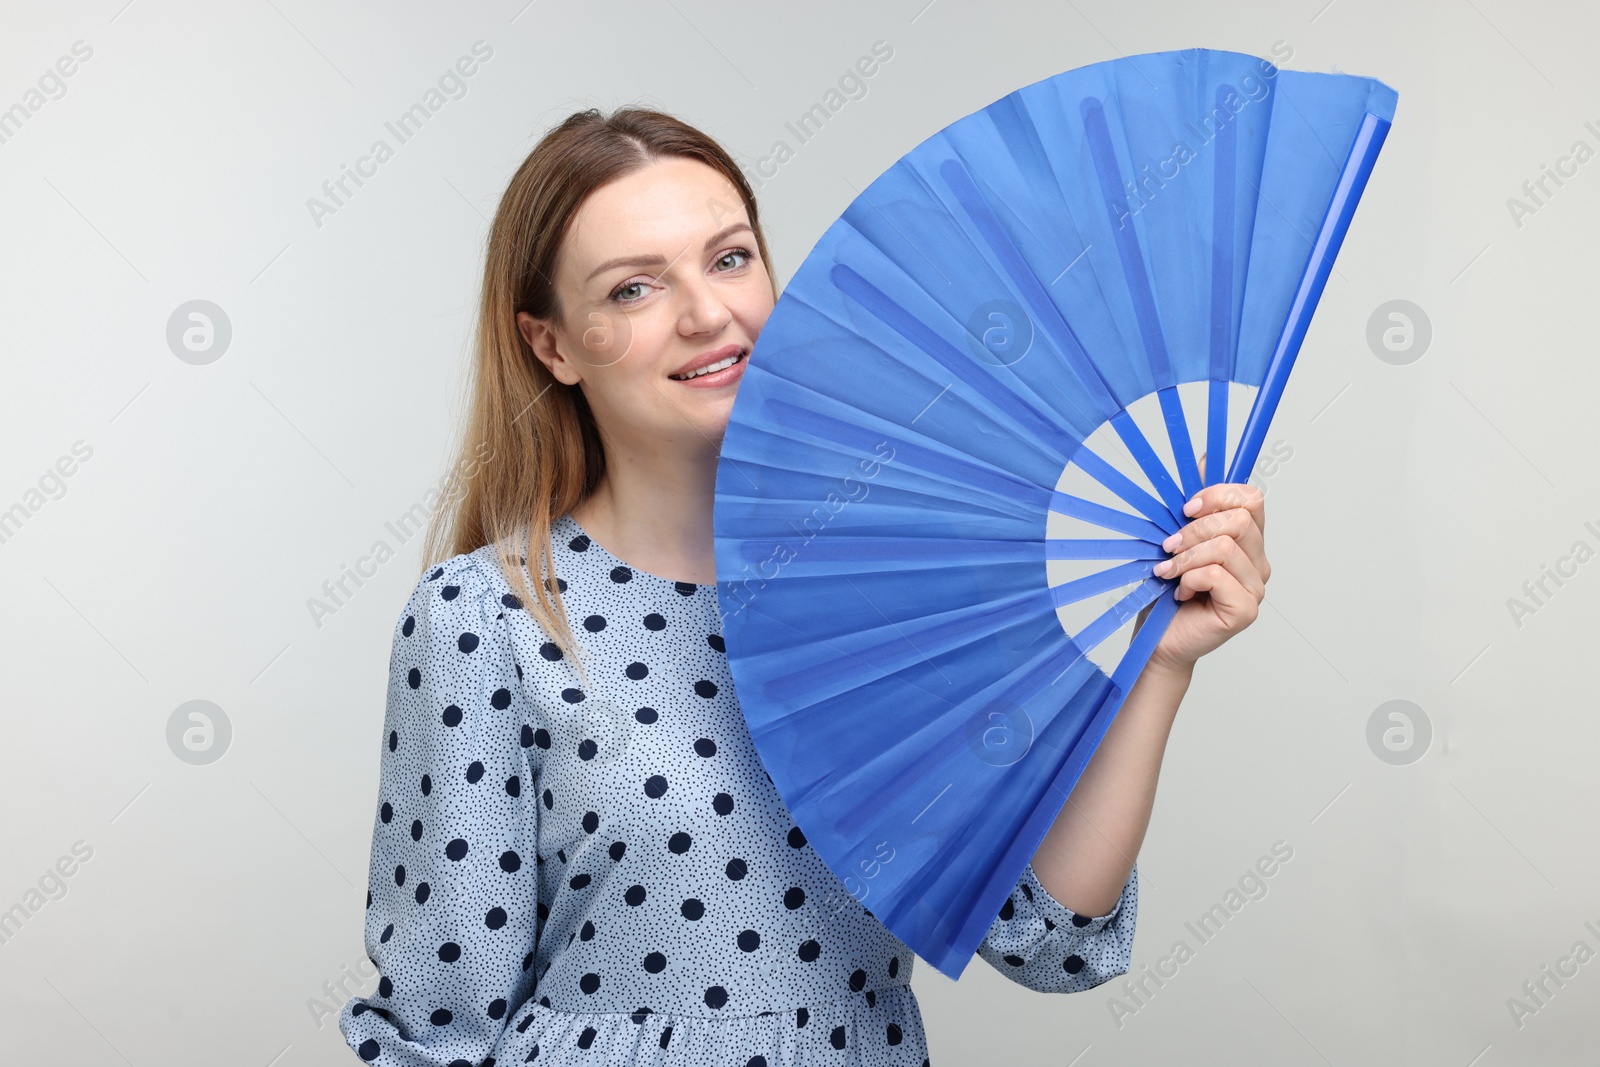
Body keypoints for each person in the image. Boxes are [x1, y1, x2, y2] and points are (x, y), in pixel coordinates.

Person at [339, 105, 1270, 1066]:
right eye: (633, 288)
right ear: (553, 345)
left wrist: (1157, 669)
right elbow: (436, 1033)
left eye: (730, 258)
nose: (707, 313)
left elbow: (1048, 940)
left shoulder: (896, 587)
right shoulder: (482, 618)